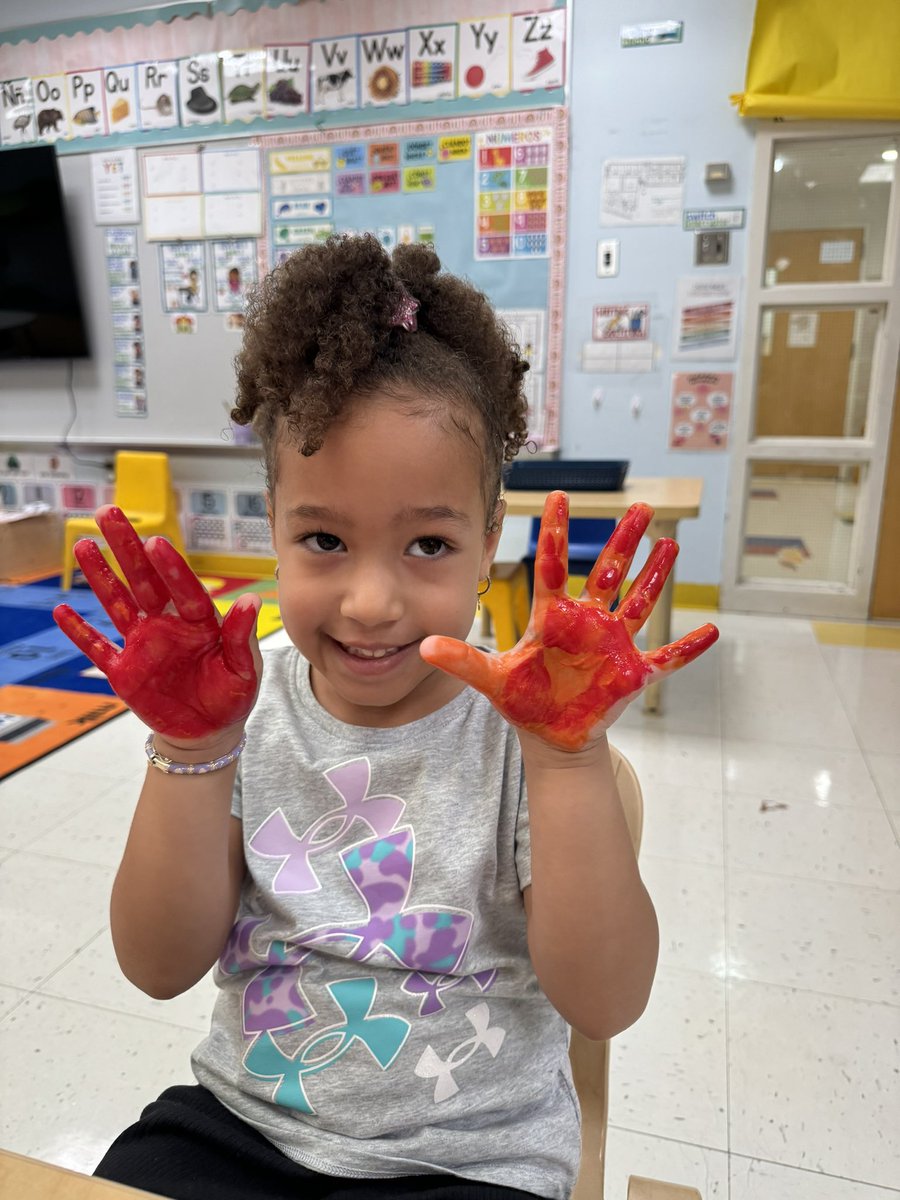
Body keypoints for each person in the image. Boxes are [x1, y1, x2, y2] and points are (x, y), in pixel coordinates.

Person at [53, 234, 718, 1200]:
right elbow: (156, 965)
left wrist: (569, 764)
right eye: (324, 539)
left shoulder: (523, 740)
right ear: (272, 524)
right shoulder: (240, 714)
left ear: (489, 542)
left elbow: (606, 1002)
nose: (370, 602)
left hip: (473, 1158)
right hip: (243, 1126)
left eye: (428, 545)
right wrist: (190, 749)